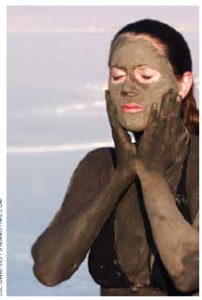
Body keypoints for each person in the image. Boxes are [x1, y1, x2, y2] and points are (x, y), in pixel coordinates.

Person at [31, 19, 199, 296]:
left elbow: (190, 276)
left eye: (146, 76)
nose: (128, 88)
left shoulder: (196, 162)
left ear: (183, 85)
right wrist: (119, 177)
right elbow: (48, 270)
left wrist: (150, 176)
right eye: (118, 76)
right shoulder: (100, 165)